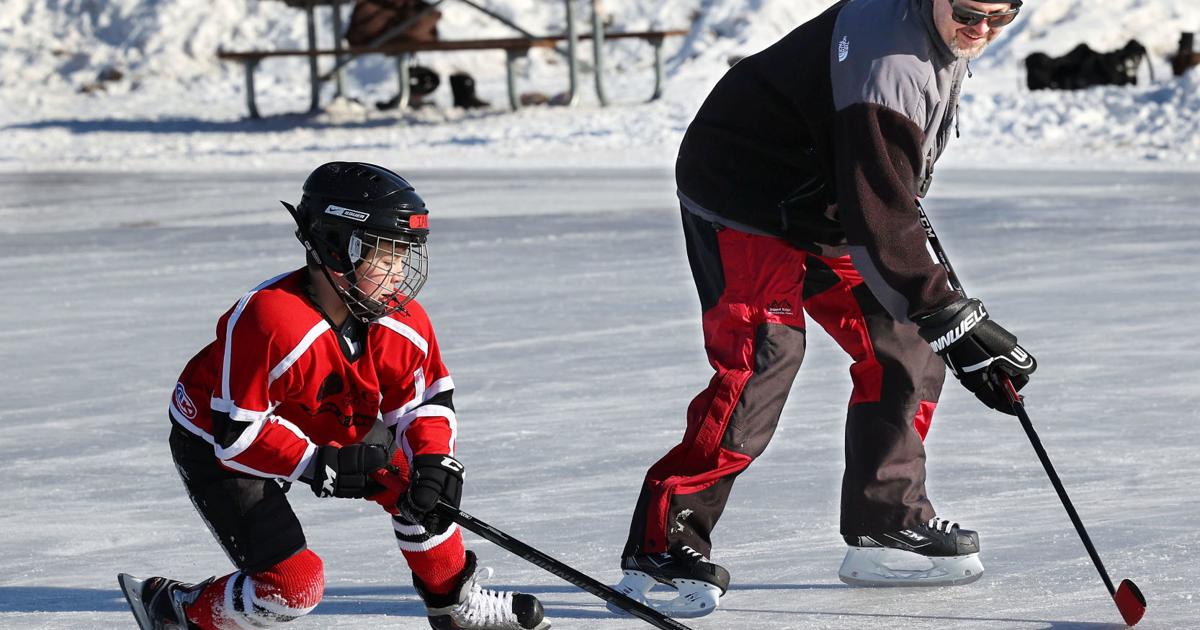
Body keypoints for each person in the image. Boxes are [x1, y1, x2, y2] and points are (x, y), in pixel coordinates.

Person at [614, 0, 1036, 617]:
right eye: (970, 12)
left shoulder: (934, 35)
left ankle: (885, 520)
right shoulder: (887, 60)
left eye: (1001, 18)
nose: (981, 30)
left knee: (908, 342)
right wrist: (947, 310)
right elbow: (880, 203)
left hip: (825, 195)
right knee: (764, 357)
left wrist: (946, 320)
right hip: (746, 193)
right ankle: (663, 540)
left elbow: (888, 186)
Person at [117, 162, 549, 630]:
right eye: (383, 257)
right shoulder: (269, 321)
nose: (398, 273)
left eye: (403, 257)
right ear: (334, 248)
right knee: (292, 588)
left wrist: (433, 459)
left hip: (325, 416)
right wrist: (316, 464)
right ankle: (175, 611)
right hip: (220, 442)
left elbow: (424, 403)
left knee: (422, 485)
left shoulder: (403, 322)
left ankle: (452, 605)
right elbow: (237, 434)